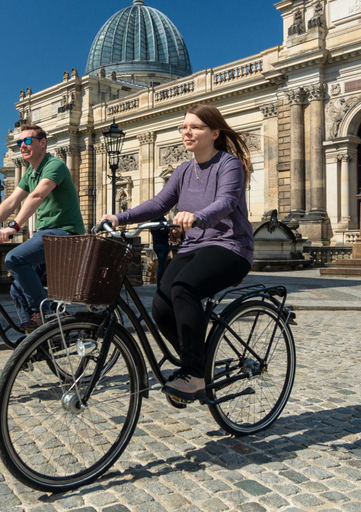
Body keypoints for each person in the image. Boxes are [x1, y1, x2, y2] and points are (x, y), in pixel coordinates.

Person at [101, 104, 254, 401]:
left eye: (195, 127)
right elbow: (159, 203)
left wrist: (198, 216)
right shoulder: (184, 170)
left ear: (214, 133)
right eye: (184, 127)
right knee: (160, 304)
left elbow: (226, 201)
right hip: (193, 245)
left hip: (231, 246)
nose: (187, 132)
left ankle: (195, 375)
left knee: (185, 289)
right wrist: (120, 217)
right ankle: (193, 359)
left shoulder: (229, 164)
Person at [0, 124, 85, 331]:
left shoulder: (54, 165)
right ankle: (36, 344)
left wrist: (14, 227)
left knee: (14, 259)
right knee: (17, 288)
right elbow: (10, 202)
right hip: (46, 235)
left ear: (42, 143)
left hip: (65, 234)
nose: (22, 146)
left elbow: (37, 196)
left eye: (27, 141)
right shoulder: (30, 173)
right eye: (19, 142)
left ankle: (44, 315)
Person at [150, 216, 171, 286]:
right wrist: (169, 229)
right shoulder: (162, 220)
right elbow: (164, 232)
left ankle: (160, 283)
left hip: (155, 245)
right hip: (163, 244)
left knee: (160, 265)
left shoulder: (153, 220)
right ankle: (160, 283)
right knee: (162, 265)